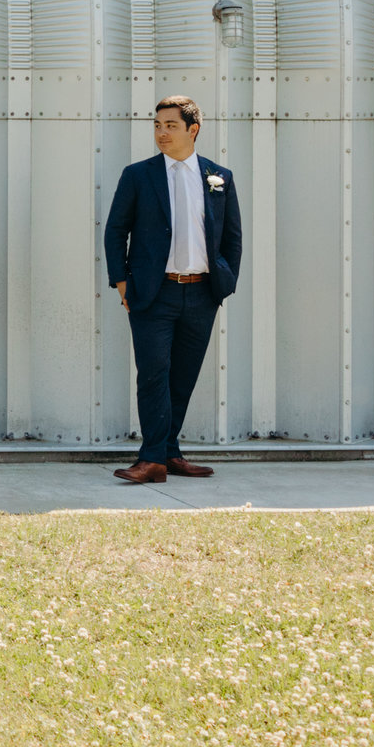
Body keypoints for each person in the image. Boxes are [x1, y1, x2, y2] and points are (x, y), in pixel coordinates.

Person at [102, 96, 242, 484]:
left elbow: (231, 238)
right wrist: (122, 284)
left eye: (170, 125)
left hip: (201, 294)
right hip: (153, 293)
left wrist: (223, 284)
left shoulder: (219, 177)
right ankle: (151, 459)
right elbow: (116, 232)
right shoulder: (138, 175)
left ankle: (168, 453)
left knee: (183, 376)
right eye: (157, 125)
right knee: (152, 374)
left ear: (192, 129)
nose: (162, 133)